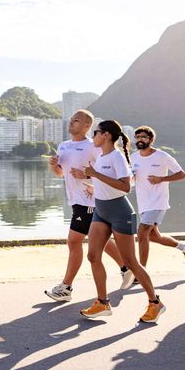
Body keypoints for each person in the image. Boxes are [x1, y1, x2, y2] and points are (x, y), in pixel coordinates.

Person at [80, 120, 165, 323]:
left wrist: (95, 174)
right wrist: (91, 181)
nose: (94, 136)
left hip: (120, 212)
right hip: (101, 211)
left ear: (107, 135)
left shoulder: (117, 157)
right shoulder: (101, 156)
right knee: (92, 256)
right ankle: (102, 303)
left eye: (96, 132)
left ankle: (155, 303)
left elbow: (125, 186)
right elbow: (104, 182)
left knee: (131, 262)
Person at [44, 110, 134, 303]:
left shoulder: (93, 146)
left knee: (74, 241)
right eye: (71, 120)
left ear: (87, 126)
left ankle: (66, 287)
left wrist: (86, 177)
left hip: (90, 200)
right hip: (75, 200)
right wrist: (53, 165)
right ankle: (127, 268)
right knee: (96, 239)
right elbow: (61, 174)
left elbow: (103, 170)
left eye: (76, 121)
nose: (71, 123)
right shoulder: (64, 146)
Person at [130, 126, 185, 269]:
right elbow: (132, 180)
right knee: (153, 236)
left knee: (142, 233)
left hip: (158, 202)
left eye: (143, 137)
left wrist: (162, 179)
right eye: (137, 137)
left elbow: (181, 174)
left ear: (151, 139)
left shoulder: (162, 156)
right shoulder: (133, 157)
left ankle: (141, 271)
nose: (140, 140)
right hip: (143, 203)